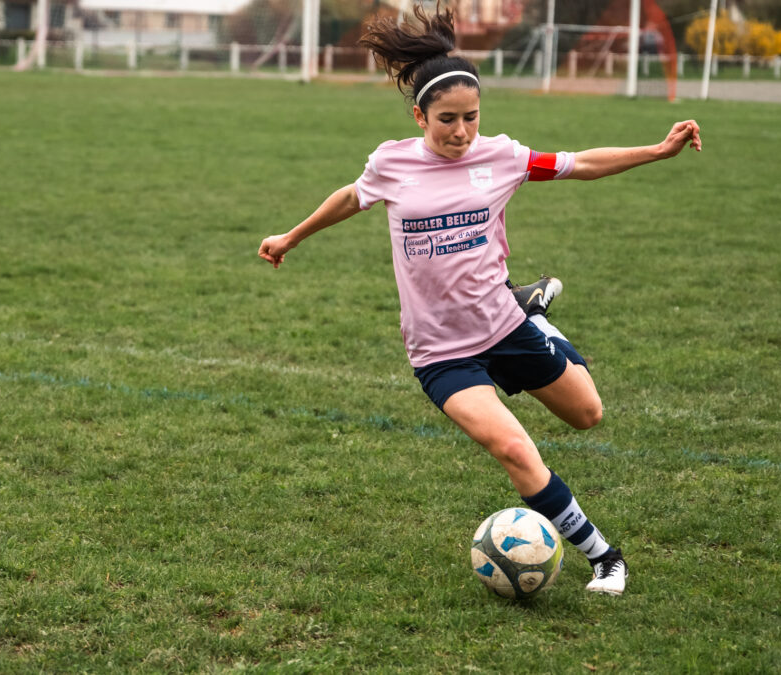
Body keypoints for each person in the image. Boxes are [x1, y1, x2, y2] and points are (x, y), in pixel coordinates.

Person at [257, 4, 701, 596]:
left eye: (471, 118)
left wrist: (656, 150)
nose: (461, 132)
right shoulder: (392, 163)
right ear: (419, 115)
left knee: (587, 414)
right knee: (514, 448)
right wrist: (291, 235)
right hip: (441, 353)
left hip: (502, 324)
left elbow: (579, 164)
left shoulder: (501, 157)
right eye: (446, 120)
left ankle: (533, 311)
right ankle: (605, 558)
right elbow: (351, 197)